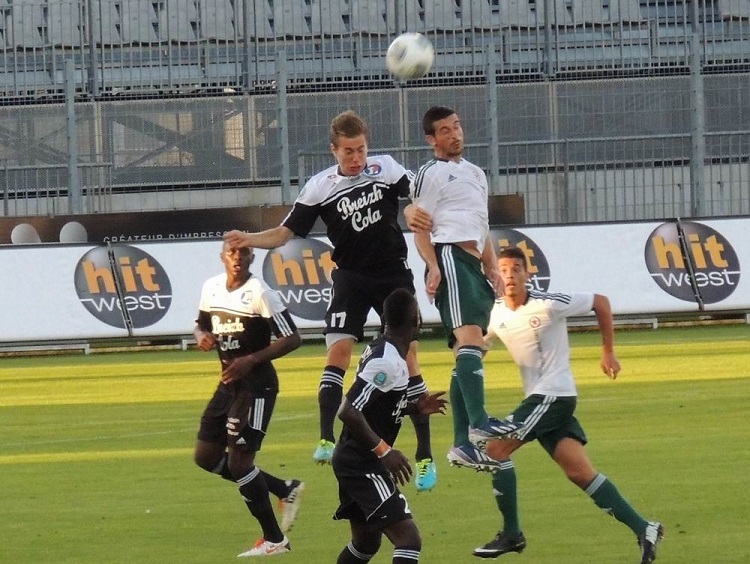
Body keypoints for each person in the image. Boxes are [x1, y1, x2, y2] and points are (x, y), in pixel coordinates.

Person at [224, 110, 438, 492]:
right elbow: (284, 233)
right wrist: (248, 238)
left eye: (360, 150)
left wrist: (412, 208)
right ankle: (325, 437)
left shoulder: (386, 168)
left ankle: (425, 457)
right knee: (337, 354)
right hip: (351, 278)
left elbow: (417, 197)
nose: (356, 159)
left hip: (393, 274)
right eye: (348, 152)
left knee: (409, 359)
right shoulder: (320, 186)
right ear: (333, 150)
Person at [473, 246, 664, 563]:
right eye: (503, 270)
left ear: (527, 274)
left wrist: (607, 352)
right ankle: (645, 528)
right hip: (542, 401)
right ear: (496, 276)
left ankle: (512, 534)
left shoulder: (548, 304)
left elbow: (600, 302)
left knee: (495, 450)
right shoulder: (496, 313)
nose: (509, 276)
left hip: (554, 395)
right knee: (580, 473)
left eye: (516, 269)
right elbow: (481, 346)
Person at [407, 105, 521, 474]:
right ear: (432, 139)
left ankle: (461, 445)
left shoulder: (475, 173)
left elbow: (481, 224)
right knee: (471, 342)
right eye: (445, 130)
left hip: (474, 262)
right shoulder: (430, 173)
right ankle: (478, 422)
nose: (455, 134)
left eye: (457, 126)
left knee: (467, 352)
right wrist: (434, 266)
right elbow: (421, 226)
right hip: (451, 258)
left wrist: (492, 266)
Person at [193, 242, 304, 557]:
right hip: (228, 386)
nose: (238, 258)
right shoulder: (211, 288)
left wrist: (251, 360)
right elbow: (201, 322)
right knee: (205, 456)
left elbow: (293, 337)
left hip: (257, 387)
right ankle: (284, 489)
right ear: (222, 257)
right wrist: (201, 336)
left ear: (253, 258)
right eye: (232, 253)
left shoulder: (260, 293)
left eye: (244, 253)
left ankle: (274, 539)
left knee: (241, 462)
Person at [332, 288, 448, 564]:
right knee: (409, 539)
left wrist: (414, 408)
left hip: (353, 459)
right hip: (361, 463)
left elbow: (376, 406)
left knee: (365, 542)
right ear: (416, 321)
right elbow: (348, 411)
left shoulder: (386, 351)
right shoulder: (387, 361)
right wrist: (384, 451)